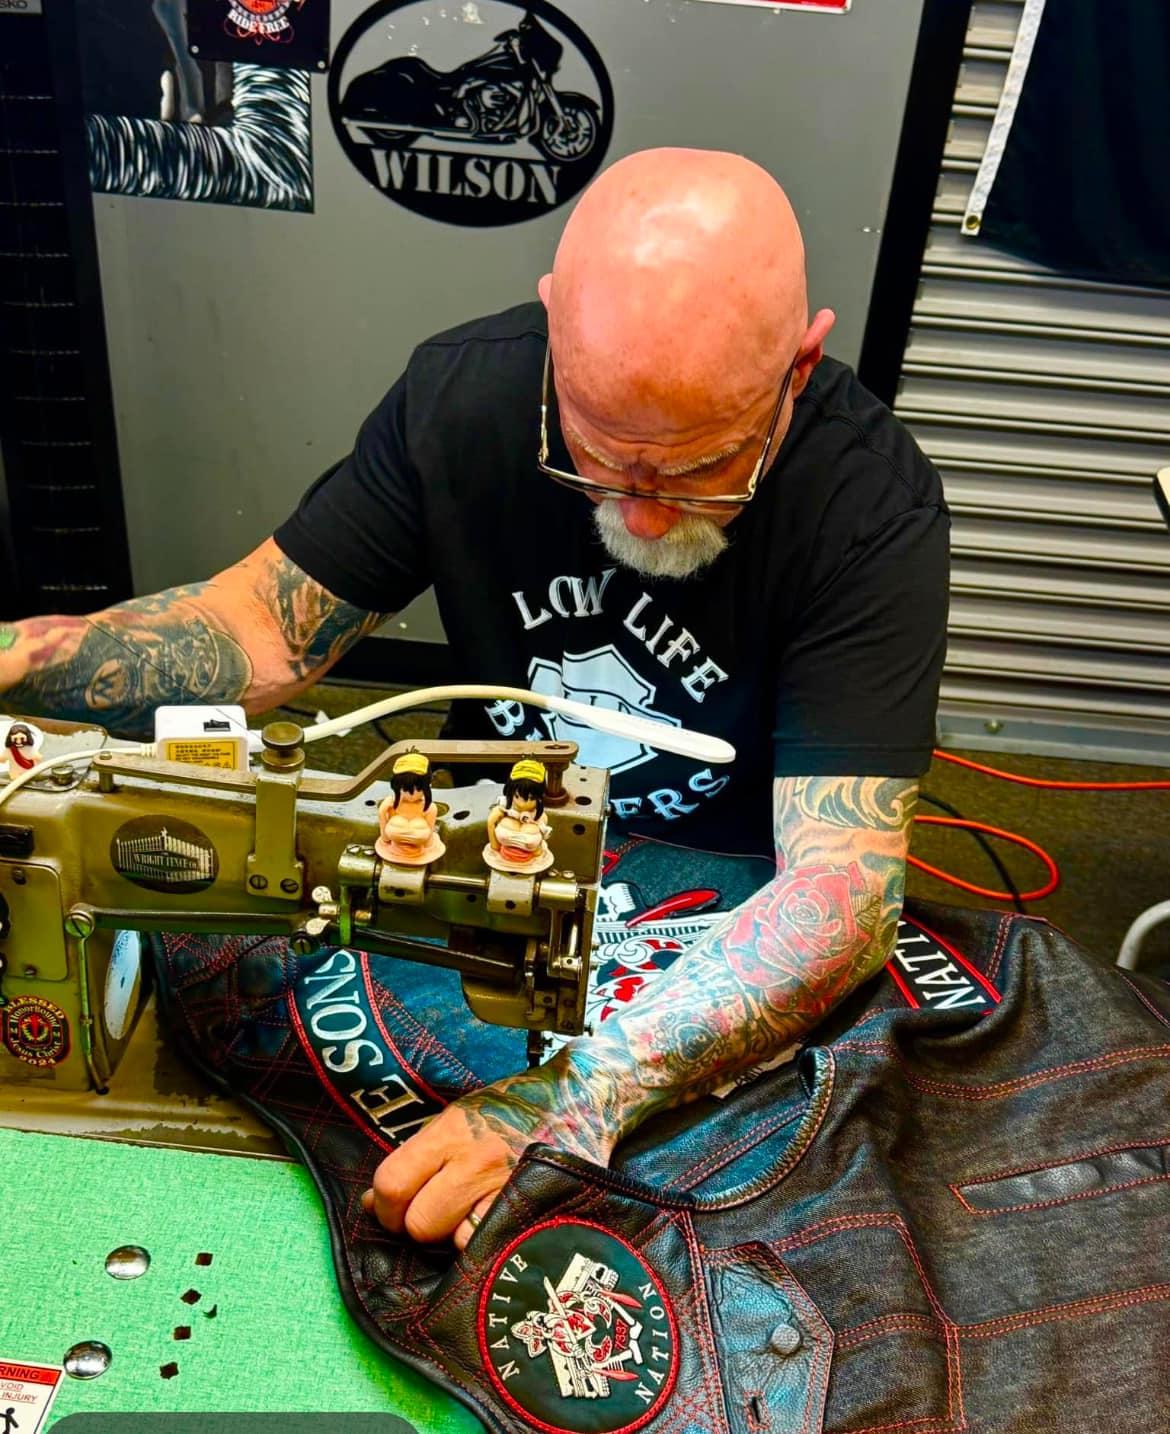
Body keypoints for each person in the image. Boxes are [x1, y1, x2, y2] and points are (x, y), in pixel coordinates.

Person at [0, 148, 948, 1251]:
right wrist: (23, 653)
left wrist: (570, 1104)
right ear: (554, 328)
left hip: (726, 909)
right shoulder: (468, 396)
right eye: (600, 461)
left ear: (801, 364)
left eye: (698, 473)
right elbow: (257, 632)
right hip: (480, 857)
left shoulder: (871, 506)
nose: (641, 520)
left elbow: (841, 889)